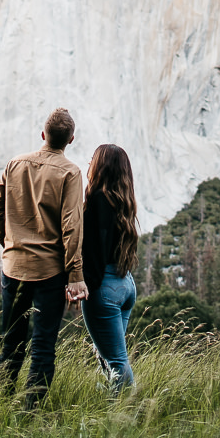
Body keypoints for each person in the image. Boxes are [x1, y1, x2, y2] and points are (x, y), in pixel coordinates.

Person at [0, 107, 88, 406]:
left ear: (43, 135)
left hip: (13, 267)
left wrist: (9, 244)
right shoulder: (70, 173)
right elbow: (72, 226)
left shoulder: (14, 164)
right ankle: (30, 412)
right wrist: (76, 275)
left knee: (10, 342)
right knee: (43, 345)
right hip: (50, 271)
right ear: (71, 140)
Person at [80, 143, 139, 392]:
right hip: (125, 284)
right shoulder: (123, 201)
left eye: (93, 159)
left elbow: (96, 250)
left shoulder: (97, 200)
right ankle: (111, 411)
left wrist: (85, 287)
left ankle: (129, 413)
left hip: (104, 288)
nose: (89, 163)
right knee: (108, 356)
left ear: (100, 166)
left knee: (116, 361)